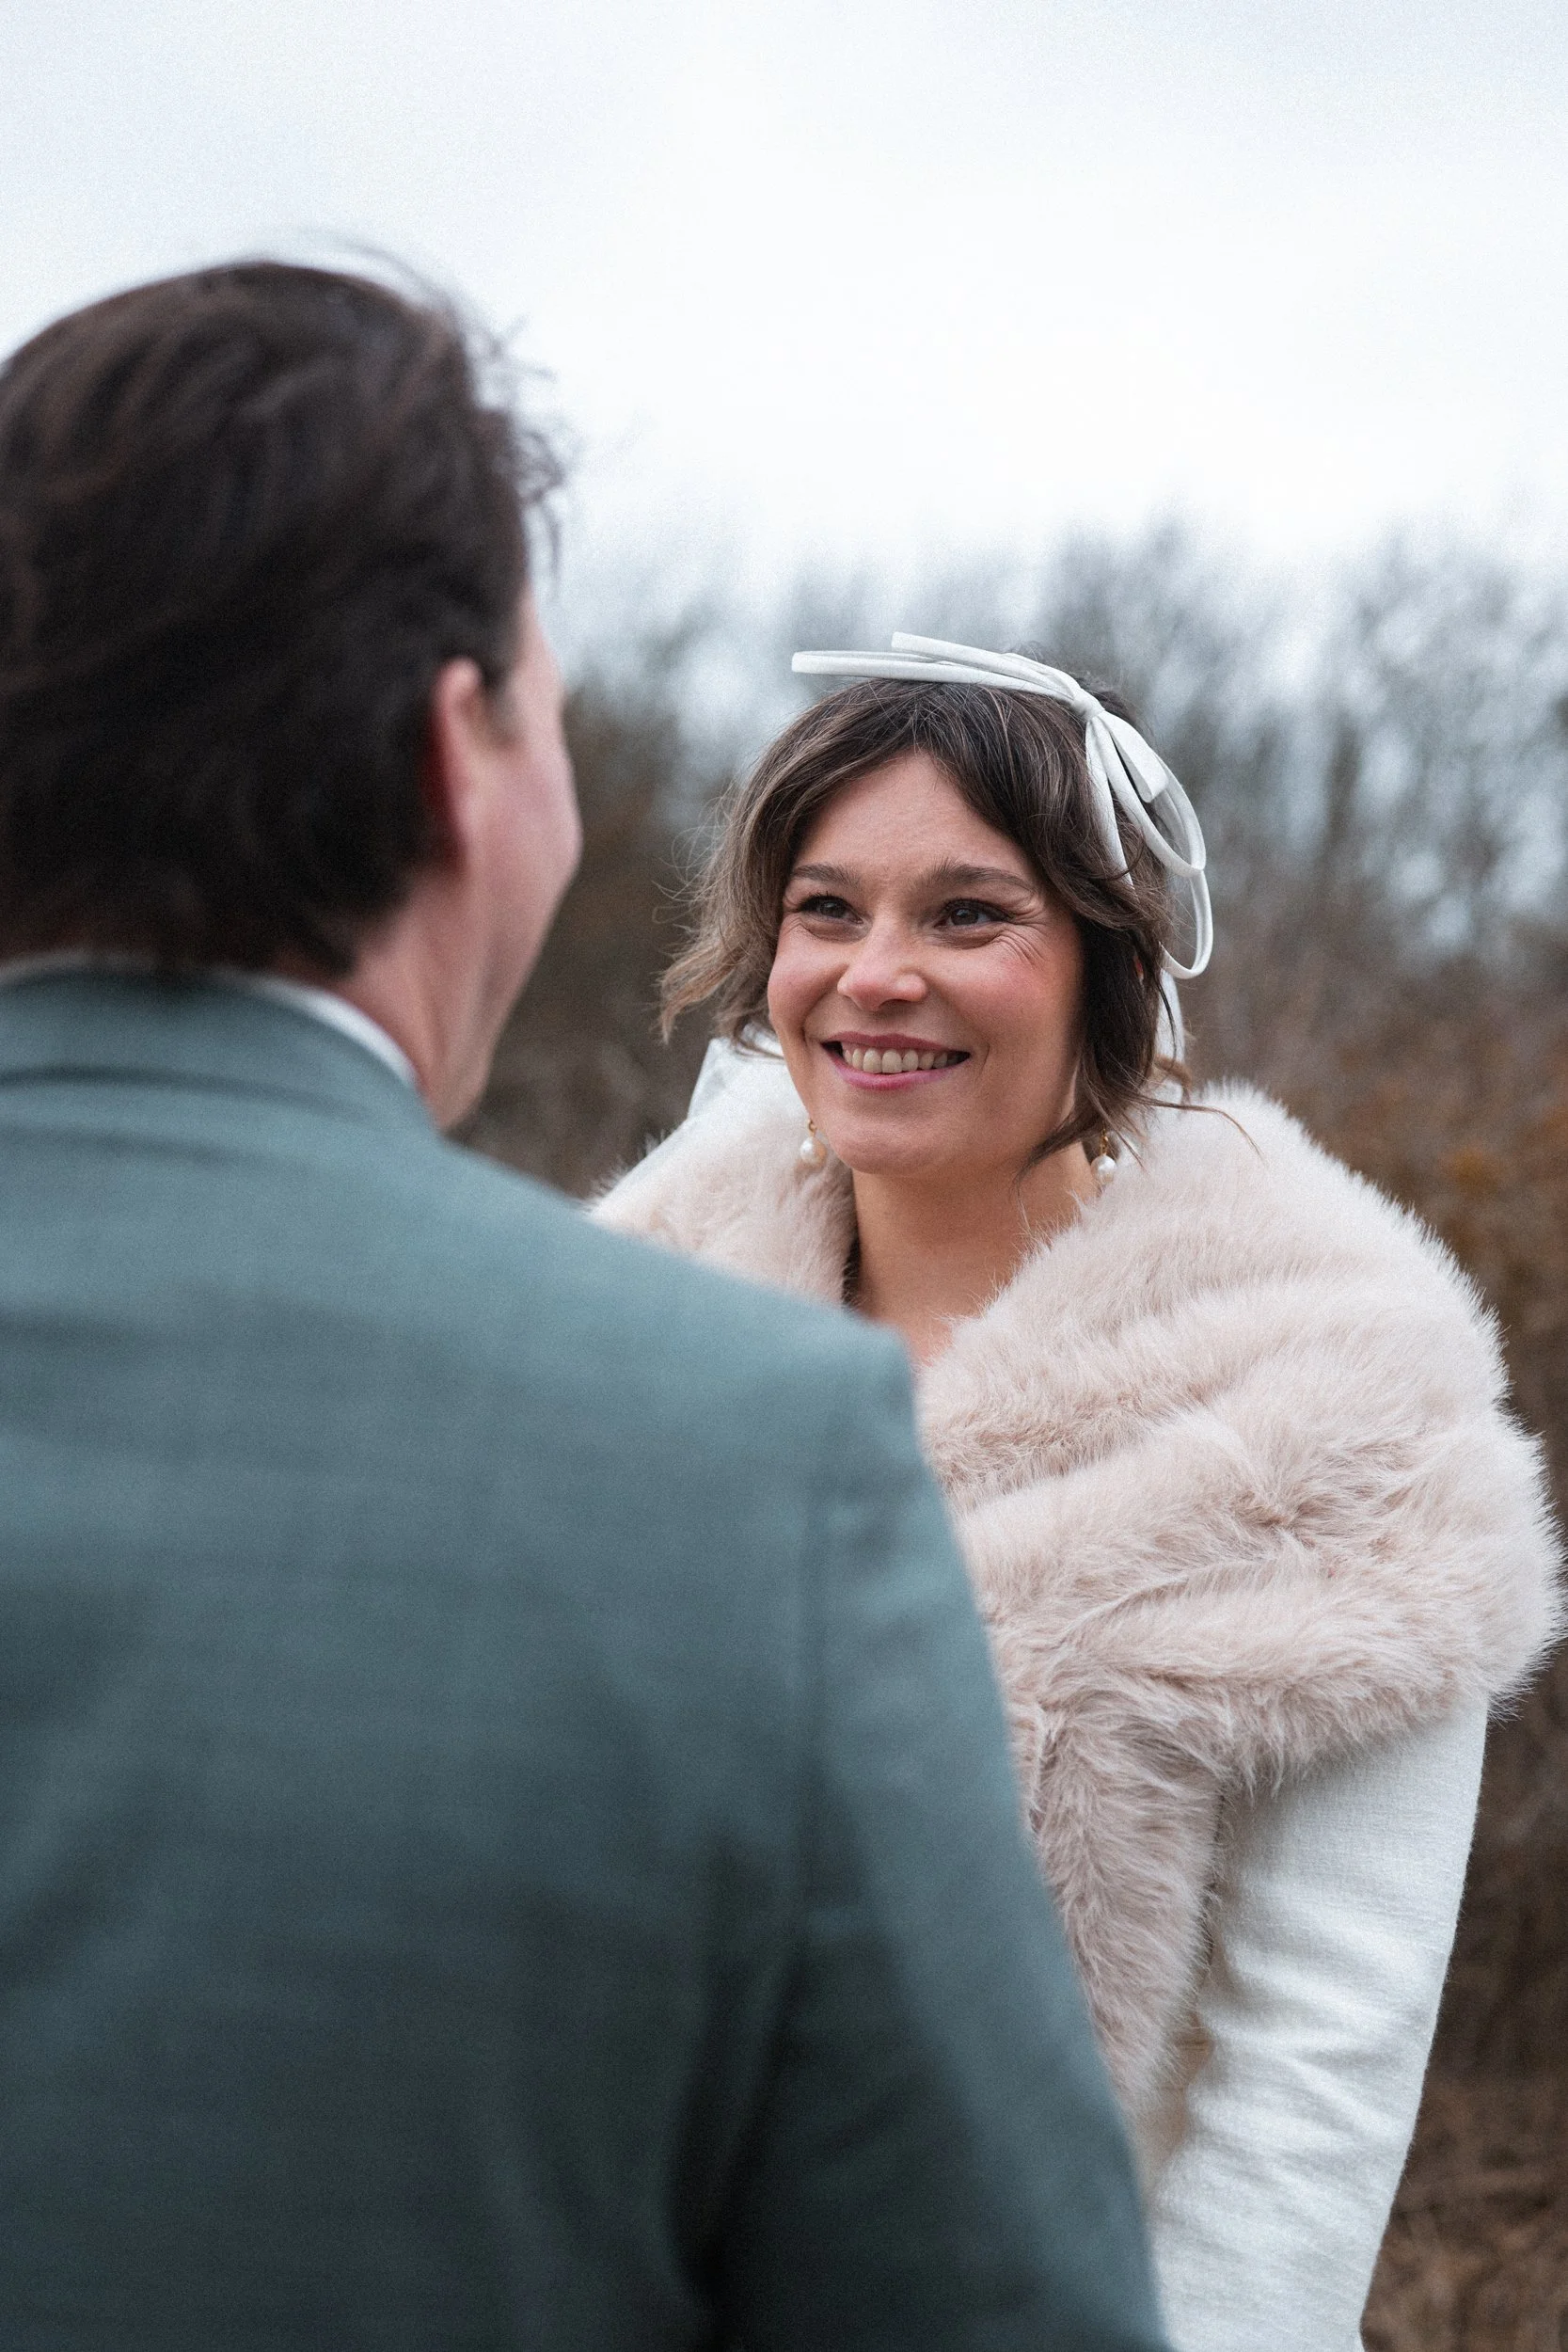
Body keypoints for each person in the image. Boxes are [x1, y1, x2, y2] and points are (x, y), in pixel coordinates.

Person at [0, 273, 1168, 2350]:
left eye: (966, 911)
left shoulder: (1282, 1417)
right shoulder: (743, 1455)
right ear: (463, 755)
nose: (872, 970)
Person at [594, 635, 1564, 2352]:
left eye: (969, 916)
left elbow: (1308, 2093)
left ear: (1109, 975)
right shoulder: (617, 1347)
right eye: (827, 910)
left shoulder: (1329, 1426)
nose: (875, 975)